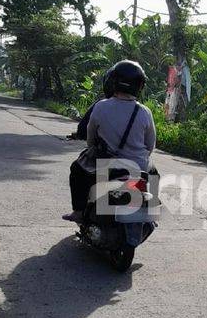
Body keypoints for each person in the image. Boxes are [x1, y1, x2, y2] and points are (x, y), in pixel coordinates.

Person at [63, 60, 156, 223]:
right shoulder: (145, 112)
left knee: (77, 169)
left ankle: (78, 211)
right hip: (138, 167)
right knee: (154, 175)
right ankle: (150, 213)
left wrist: (94, 149)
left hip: (107, 166)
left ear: (113, 81)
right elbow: (150, 145)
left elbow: (90, 140)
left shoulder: (101, 107)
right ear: (139, 86)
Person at [68, 67, 115, 141]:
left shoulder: (101, 105)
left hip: (105, 149)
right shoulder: (139, 110)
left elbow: (84, 128)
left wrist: (81, 134)